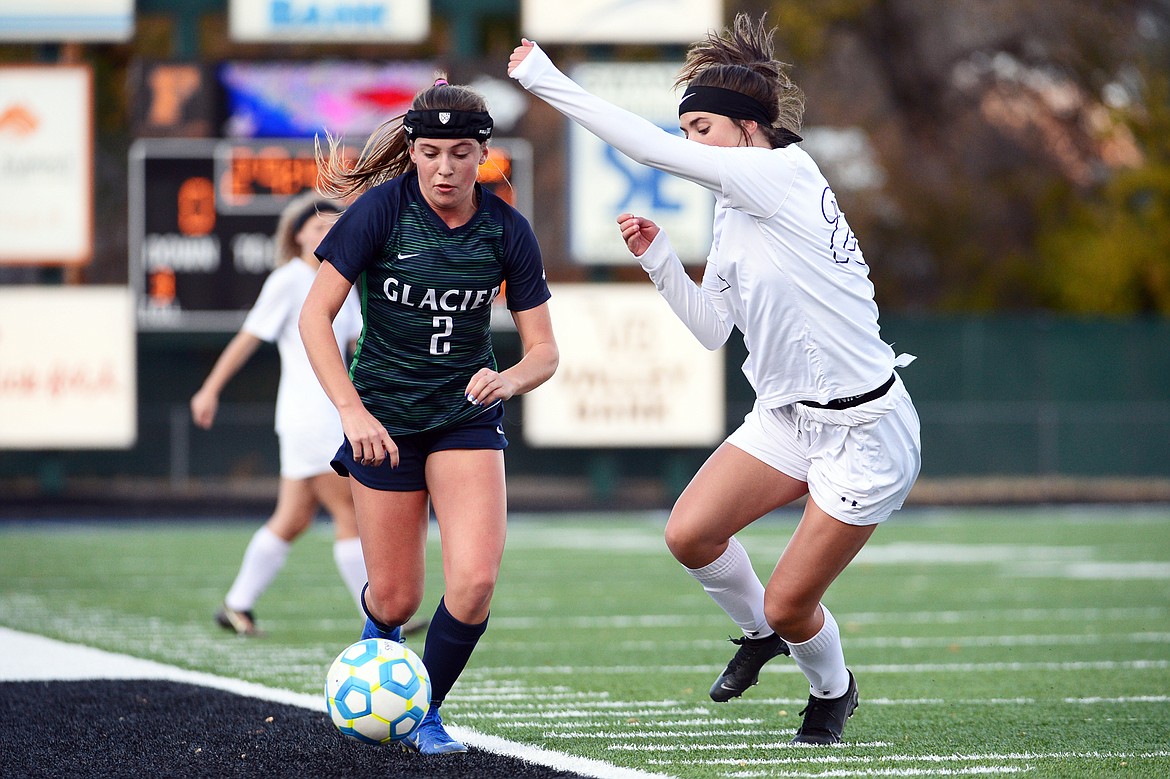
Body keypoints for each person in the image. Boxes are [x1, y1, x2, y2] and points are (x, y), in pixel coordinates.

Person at [509, 13, 921, 746]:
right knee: (691, 534)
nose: (692, 144)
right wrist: (661, 257)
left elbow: (641, 145)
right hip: (789, 417)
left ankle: (832, 690)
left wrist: (544, 77)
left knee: (796, 604)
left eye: (702, 128)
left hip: (864, 430)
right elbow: (710, 330)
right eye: (688, 130)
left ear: (747, 128)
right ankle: (759, 632)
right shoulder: (737, 208)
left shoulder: (781, 172)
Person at [299, 76, 559, 755]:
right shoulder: (380, 212)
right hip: (381, 418)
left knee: (473, 582)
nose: (446, 167)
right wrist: (351, 411)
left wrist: (507, 379)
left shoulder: (506, 228)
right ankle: (378, 659)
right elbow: (314, 316)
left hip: (464, 418)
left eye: (462, 153)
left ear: (484, 154)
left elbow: (544, 353)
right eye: (433, 151)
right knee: (394, 601)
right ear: (412, 149)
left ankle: (421, 708)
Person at [192, 193, 374, 637]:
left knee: (292, 519)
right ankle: (382, 618)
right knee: (351, 513)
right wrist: (210, 389)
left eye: (334, 228)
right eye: (317, 228)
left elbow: (355, 350)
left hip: (332, 414)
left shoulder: (342, 281)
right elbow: (248, 337)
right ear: (296, 237)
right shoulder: (291, 280)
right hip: (313, 417)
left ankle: (237, 605)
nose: (327, 235)